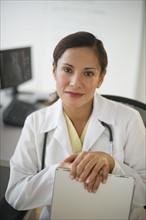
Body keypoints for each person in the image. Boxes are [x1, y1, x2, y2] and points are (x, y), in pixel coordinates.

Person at [5, 31, 145, 219]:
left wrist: (113, 166)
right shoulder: (36, 123)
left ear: (101, 78)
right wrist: (58, 174)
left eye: (88, 73)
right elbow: (16, 196)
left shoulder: (128, 119)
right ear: (54, 70)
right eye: (68, 70)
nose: (75, 82)